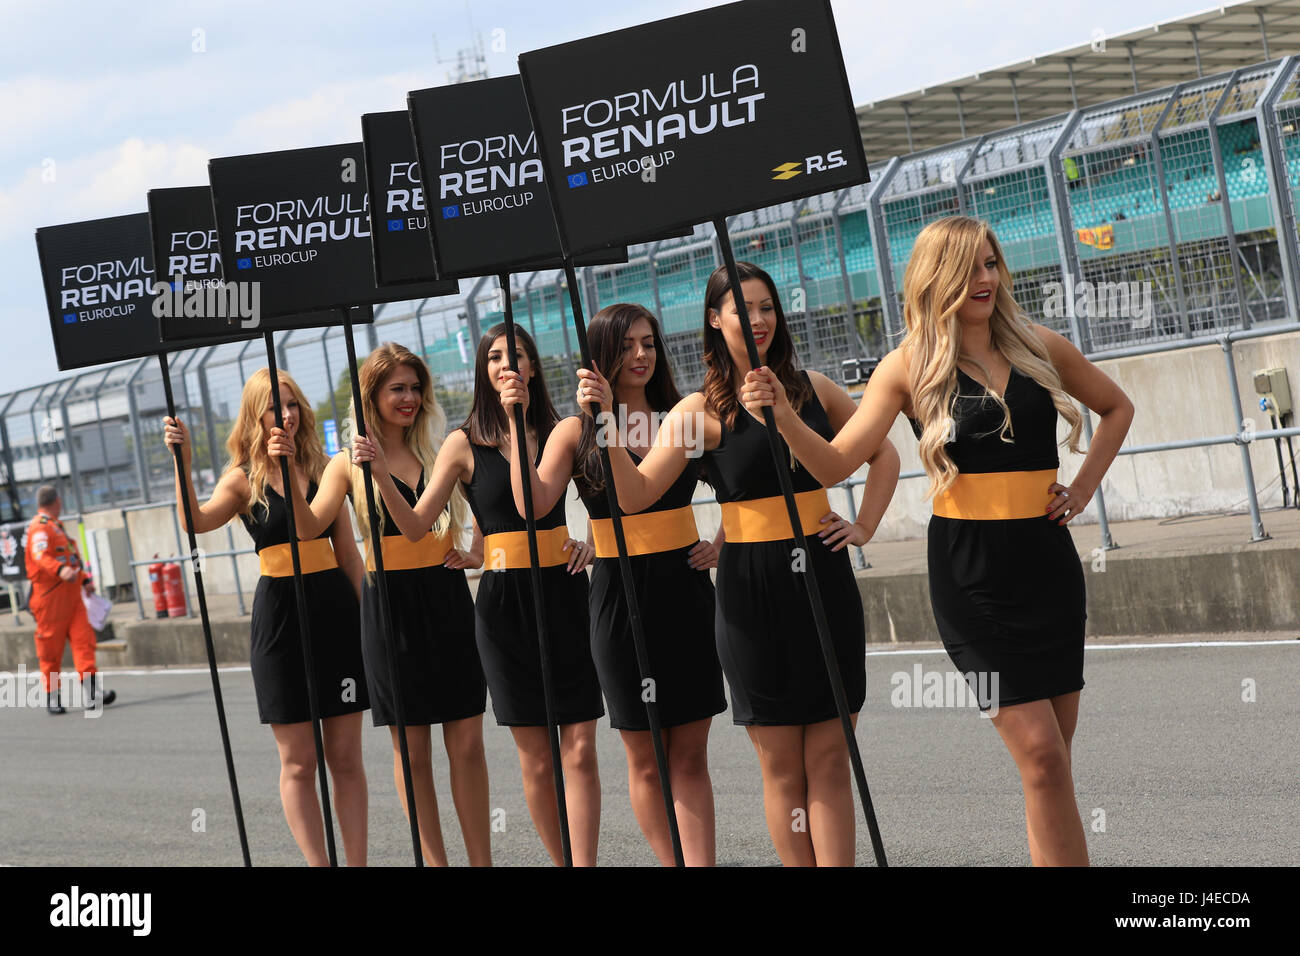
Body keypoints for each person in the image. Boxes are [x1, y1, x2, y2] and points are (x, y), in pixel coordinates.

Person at [741, 215, 1134, 866]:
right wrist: (783, 415)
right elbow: (837, 465)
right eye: (969, 267)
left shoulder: (1040, 344)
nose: (985, 278)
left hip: (1048, 568)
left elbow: (1116, 407)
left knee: (1053, 765)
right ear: (936, 277)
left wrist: (1083, 486)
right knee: (1039, 752)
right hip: (970, 579)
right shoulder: (907, 366)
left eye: (991, 263)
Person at [577, 263, 900, 866]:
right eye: (742, 309)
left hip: (825, 579)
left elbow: (880, 456)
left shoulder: (814, 388)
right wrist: (606, 425)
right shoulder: (700, 412)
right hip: (753, 591)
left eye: (767, 307)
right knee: (781, 766)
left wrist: (863, 526)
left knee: (832, 756)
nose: (757, 320)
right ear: (713, 320)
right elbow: (636, 495)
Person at [353, 324, 604, 866]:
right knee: (537, 759)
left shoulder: (564, 429)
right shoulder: (462, 442)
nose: (505, 364)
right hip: (503, 608)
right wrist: (378, 475)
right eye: (493, 357)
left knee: (581, 748)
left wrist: (590, 542)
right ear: (482, 371)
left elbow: (579, 504)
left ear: (533, 367)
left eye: (516, 355)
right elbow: (418, 526)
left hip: (563, 593)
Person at [274, 342, 492, 867]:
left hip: (446, 598)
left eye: (416, 388)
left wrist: (479, 547)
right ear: (371, 394)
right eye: (398, 388)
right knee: (412, 752)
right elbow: (308, 527)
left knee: (466, 745)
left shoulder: (439, 448)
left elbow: (491, 499)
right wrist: (285, 470)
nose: (410, 398)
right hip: (389, 608)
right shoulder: (346, 464)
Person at [162, 368, 370, 866]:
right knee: (300, 762)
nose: (288, 415)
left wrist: (374, 619)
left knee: (345, 758)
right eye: (277, 406)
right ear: (257, 414)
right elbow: (196, 522)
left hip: (336, 614)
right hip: (279, 620)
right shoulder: (242, 479)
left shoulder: (325, 468)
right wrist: (183, 463)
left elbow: (348, 556)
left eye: (294, 404)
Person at [564, 303, 727, 866]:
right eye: (627, 344)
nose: (640, 355)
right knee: (644, 755)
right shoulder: (574, 431)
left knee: (690, 755)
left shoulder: (681, 418)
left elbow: (747, 473)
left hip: (683, 590)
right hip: (617, 597)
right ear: (600, 355)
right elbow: (527, 505)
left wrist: (724, 539)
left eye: (649, 344)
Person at [24, 484, 115, 714]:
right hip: (49, 600)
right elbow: (39, 555)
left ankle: (94, 695)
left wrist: (84, 580)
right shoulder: (40, 527)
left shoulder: (56, 528)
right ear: (56, 501)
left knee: (84, 644)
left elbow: (71, 559)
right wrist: (59, 570)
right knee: (50, 652)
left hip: (73, 599)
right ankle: (52, 697)